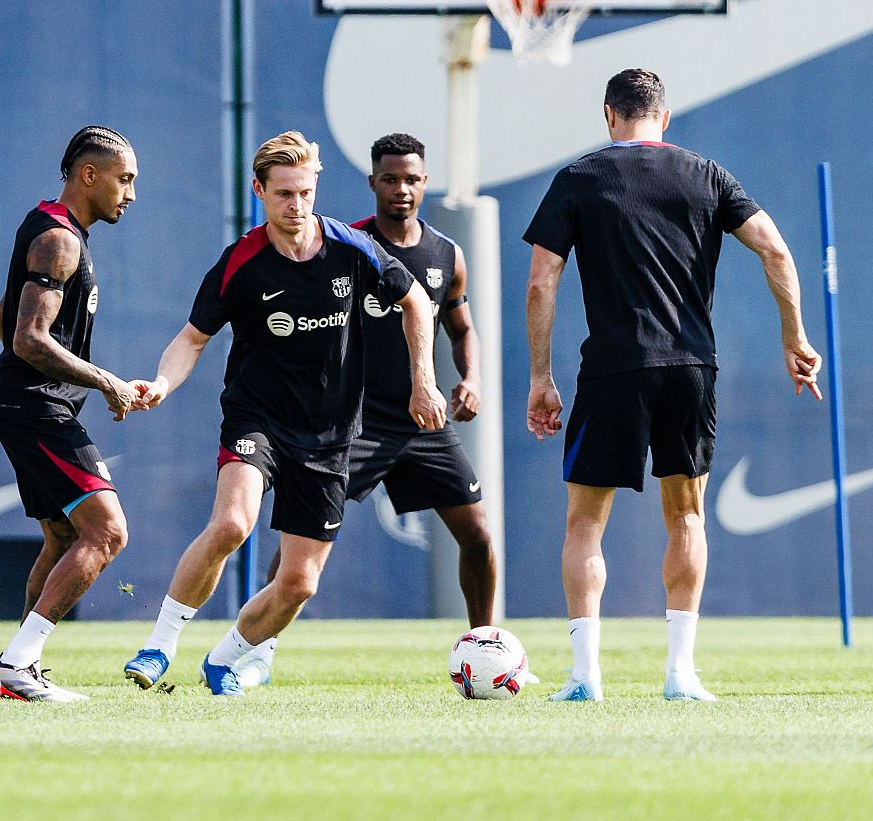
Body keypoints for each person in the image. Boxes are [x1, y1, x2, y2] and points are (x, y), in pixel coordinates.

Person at [523, 69, 822, 703]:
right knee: (686, 515)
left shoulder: (580, 176)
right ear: (666, 115)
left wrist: (540, 377)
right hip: (690, 366)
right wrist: (794, 338)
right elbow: (775, 250)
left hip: (612, 368)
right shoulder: (707, 174)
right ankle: (680, 675)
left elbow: (540, 282)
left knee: (584, 524)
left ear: (610, 115)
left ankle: (585, 677)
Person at [121, 131, 446, 697]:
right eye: (282, 195)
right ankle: (160, 645)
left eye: (304, 193)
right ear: (259, 192)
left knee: (299, 583)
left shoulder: (352, 247)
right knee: (231, 525)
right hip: (258, 420)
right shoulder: (242, 261)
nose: (295, 207)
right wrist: (162, 384)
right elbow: (193, 338)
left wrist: (425, 382)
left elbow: (415, 300)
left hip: (330, 433)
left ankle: (228, 658)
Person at [236, 132, 506, 688]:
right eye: (390, 179)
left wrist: (471, 378)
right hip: (355, 421)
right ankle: (255, 652)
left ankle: (486, 646)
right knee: (299, 544)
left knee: (478, 534)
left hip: (424, 422)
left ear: (425, 183)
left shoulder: (446, 255)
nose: (401, 189)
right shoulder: (345, 245)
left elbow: (460, 327)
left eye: (411, 179)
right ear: (372, 183)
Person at [0, 126, 142, 702]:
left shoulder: (53, 227)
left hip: (26, 400)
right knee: (107, 531)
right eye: (124, 180)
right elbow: (27, 337)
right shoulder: (60, 240)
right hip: (35, 407)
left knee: (60, 536)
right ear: (89, 175)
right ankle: (17, 664)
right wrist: (106, 383)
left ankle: (23, 667)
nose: (130, 193)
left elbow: (5, 316)